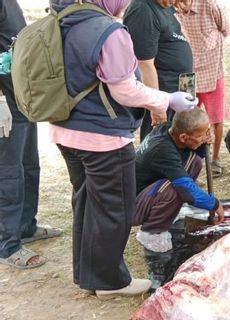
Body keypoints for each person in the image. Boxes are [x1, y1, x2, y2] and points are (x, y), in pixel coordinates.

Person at [49, 0, 197, 299]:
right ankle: (110, 282)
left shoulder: (63, 21)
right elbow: (124, 89)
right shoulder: (108, 30)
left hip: (64, 130)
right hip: (102, 136)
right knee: (115, 208)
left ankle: (89, 275)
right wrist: (166, 100)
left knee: (88, 204)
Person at [0, 0, 63, 270]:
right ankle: (7, 243)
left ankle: (26, 225)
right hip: (4, 100)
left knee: (29, 165)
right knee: (9, 171)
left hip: (22, 98)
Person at [134, 108, 224, 252]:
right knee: (176, 189)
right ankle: (151, 232)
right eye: (201, 135)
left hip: (148, 191)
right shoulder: (162, 149)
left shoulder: (169, 130)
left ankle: (170, 212)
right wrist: (214, 204)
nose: (204, 137)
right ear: (183, 137)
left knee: (193, 161)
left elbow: (190, 154)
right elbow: (187, 190)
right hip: (131, 206)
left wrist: (202, 143)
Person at [176, 0, 230, 178]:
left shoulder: (210, 5)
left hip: (213, 69)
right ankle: (185, 158)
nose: (181, 5)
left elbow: (227, 29)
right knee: (184, 116)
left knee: (216, 118)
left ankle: (215, 158)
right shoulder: (170, 6)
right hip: (186, 69)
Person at [123, 0, 193, 142]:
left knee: (182, 144)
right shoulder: (143, 9)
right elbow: (144, 63)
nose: (174, 2)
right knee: (160, 145)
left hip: (182, 87)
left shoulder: (166, 6)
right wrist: (156, 106)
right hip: (164, 93)